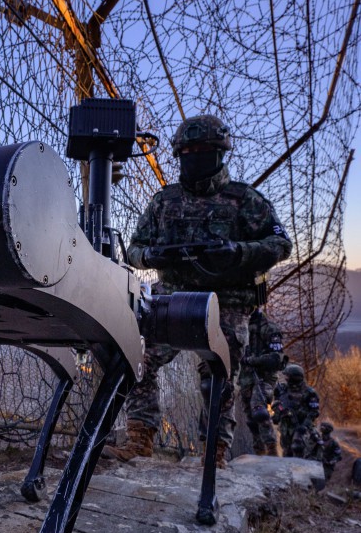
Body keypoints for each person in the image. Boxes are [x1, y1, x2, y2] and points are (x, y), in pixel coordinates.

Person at [105, 113, 292, 466]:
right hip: (171, 296)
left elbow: (281, 244)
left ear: (220, 153)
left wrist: (238, 253)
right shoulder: (164, 201)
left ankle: (214, 452)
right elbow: (133, 249)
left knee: (217, 374)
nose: (194, 157)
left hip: (227, 303)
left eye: (203, 150)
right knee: (136, 355)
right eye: (187, 151)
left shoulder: (245, 200)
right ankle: (140, 437)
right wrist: (151, 254)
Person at [239, 308, 286, 456]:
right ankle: (259, 451)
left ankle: (272, 450)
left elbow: (276, 359)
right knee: (251, 420)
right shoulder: (240, 327)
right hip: (246, 378)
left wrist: (253, 361)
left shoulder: (269, 329)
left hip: (264, 378)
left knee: (259, 410)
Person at [272, 364, 321, 458]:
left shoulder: (309, 392)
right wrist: (278, 411)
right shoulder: (282, 390)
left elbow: (314, 412)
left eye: (287, 376)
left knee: (299, 452)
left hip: (301, 429)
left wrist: (304, 426)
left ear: (294, 378)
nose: (285, 378)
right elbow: (277, 406)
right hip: (286, 429)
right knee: (287, 455)